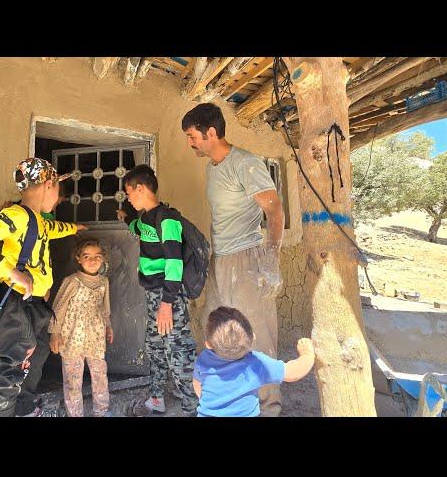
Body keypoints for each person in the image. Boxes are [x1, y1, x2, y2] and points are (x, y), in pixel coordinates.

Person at [182, 103, 285, 416]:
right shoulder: (212, 167)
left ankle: (268, 407)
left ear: (211, 132)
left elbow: (275, 210)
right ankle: (227, 397)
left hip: (246, 258)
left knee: (256, 334)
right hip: (221, 259)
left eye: (192, 136)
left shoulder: (246, 163)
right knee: (216, 328)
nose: (190, 143)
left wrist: (271, 255)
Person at [0, 157, 86, 417]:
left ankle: (25, 409)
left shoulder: (37, 220)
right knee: (11, 367)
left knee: (36, 356)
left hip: (35, 303)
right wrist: (13, 273)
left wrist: (73, 228)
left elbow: (52, 229)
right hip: (16, 303)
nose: (58, 195)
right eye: (57, 187)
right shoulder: (17, 215)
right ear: (47, 184)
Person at [116, 164, 199, 417]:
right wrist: (125, 218)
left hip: (167, 295)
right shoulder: (144, 219)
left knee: (178, 350)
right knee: (154, 347)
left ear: (140, 188)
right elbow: (136, 228)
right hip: (153, 295)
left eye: (129, 192)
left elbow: (174, 262)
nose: (128, 198)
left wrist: (167, 303)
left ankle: (191, 408)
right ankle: (157, 398)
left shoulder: (168, 219)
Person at [193, 306, 315, 417]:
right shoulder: (255, 363)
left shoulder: (203, 359)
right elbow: (293, 373)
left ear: (208, 345)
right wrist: (307, 355)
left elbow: (198, 385)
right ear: (253, 338)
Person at [49, 238, 113, 417]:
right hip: (71, 339)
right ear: (78, 258)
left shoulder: (103, 282)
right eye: (87, 256)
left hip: (96, 336)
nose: (93, 260)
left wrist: (108, 326)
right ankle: (75, 414)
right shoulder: (72, 281)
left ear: (103, 259)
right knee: (72, 381)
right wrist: (55, 333)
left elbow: (105, 307)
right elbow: (58, 308)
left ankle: (101, 411)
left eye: (97, 256)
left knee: (100, 376)